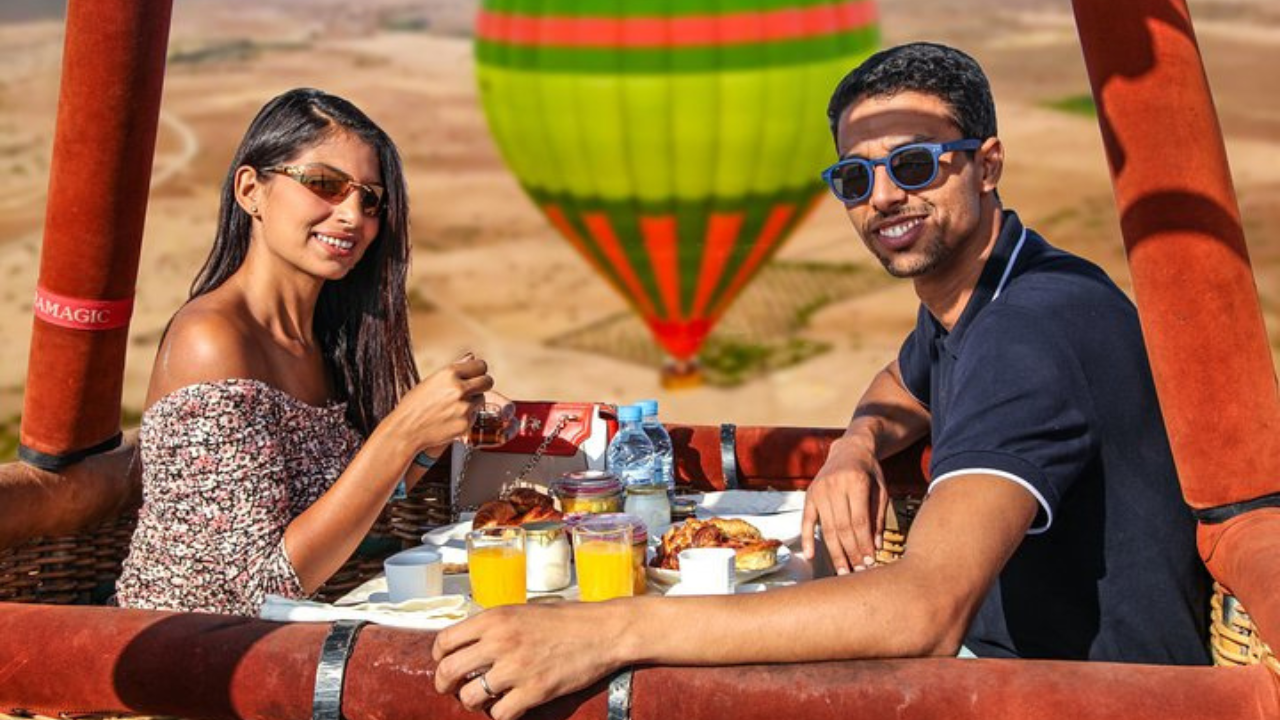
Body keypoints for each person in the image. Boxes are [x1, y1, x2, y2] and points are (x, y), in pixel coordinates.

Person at [430, 42, 1209, 720]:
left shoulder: (1027, 331)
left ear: (988, 163)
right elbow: (904, 381)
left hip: (1087, 696)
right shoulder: (996, 290)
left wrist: (607, 631)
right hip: (1019, 668)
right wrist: (858, 445)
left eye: (914, 164)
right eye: (854, 178)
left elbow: (922, 611)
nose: (884, 198)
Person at [117, 88, 497, 616]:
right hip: (188, 669)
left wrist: (436, 436)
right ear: (251, 190)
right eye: (324, 184)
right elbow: (259, 587)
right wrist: (402, 429)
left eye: (369, 199)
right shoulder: (211, 341)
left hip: (290, 647)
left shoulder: (323, 341)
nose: (351, 216)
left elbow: (354, 501)